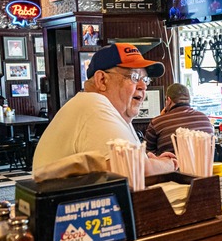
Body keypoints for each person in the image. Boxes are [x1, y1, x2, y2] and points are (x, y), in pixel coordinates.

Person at [33, 43, 177, 175]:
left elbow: (132, 166)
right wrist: (169, 164)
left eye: (145, 80)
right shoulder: (94, 106)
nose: (143, 86)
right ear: (102, 80)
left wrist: (149, 161)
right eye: (134, 77)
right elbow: (136, 170)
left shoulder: (108, 111)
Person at [144, 83, 214, 155]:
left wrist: (160, 118)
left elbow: (148, 153)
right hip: (203, 165)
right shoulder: (204, 118)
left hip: (171, 165)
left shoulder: (157, 123)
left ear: (168, 100)